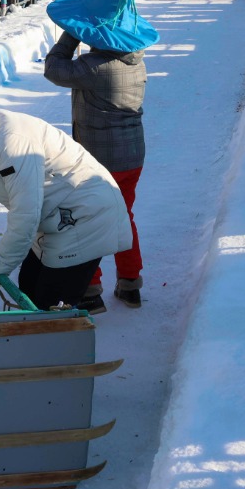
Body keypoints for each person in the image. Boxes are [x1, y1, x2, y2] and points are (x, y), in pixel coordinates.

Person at [0, 78, 130, 312]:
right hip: (56, 219)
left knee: (46, 304)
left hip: (85, 217)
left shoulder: (11, 143)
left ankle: (58, 338)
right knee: (28, 285)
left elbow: (25, 214)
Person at [43, 23, 147, 310]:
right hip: (132, 156)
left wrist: (72, 34)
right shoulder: (136, 60)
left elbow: (53, 68)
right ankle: (130, 284)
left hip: (100, 160)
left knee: (87, 221)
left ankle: (89, 289)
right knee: (123, 216)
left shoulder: (93, 66)